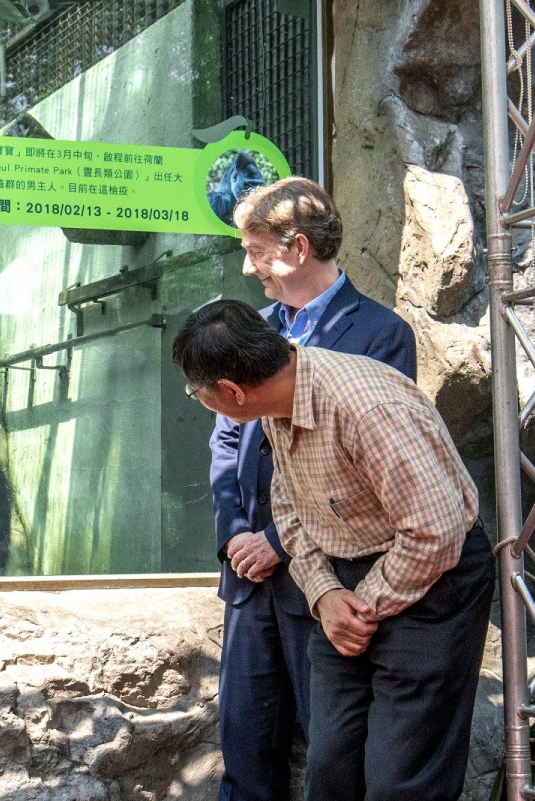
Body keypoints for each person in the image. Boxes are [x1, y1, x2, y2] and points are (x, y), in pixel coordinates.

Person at [178, 299, 493, 801]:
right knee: (330, 764)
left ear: (232, 391)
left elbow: (436, 532)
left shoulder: (364, 405)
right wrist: (324, 593)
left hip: (432, 578)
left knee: (401, 778)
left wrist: (362, 606)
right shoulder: (278, 401)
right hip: (340, 583)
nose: (201, 401)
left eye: (198, 393)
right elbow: (289, 506)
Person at [208, 177, 416, 801]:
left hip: (325, 577)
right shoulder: (253, 329)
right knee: (243, 747)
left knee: (331, 752)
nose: (248, 268)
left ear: (298, 249)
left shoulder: (381, 333)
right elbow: (225, 441)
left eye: (257, 252)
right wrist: (236, 535)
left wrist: (277, 541)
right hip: (247, 579)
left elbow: (372, 468)